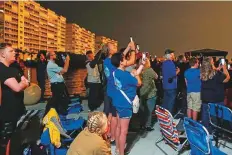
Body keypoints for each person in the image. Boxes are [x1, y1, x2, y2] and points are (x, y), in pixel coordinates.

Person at [102, 41, 136, 143]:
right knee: (115, 117)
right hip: (116, 92)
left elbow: (119, 57)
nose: (115, 47)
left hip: (110, 90)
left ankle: (110, 135)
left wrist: (127, 47)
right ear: (108, 50)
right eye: (112, 46)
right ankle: (113, 137)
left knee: (111, 114)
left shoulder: (107, 61)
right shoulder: (111, 61)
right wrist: (133, 49)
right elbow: (131, 61)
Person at [0, 43, 29, 155]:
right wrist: (22, 83)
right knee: (6, 141)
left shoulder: (11, 68)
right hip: (7, 113)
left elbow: (26, 81)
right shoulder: (2, 69)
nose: (14, 53)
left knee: (11, 140)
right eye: (11, 51)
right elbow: (17, 88)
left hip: (14, 112)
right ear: (2, 54)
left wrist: (23, 83)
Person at [111, 51, 142, 155]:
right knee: (124, 131)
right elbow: (138, 83)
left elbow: (133, 73)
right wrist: (136, 75)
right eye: (124, 59)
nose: (126, 60)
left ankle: (117, 149)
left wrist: (141, 66)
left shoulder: (115, 72)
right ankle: (121, 153)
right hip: (125, 105)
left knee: (119, 127)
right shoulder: (125, 75)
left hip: (118, 102)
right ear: (121, 62)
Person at [200, 57, 230, 132]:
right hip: (216, 99)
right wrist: (224, 68)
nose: (214, 62)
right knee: (217, 117)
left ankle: (206, 132)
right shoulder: (216, 73)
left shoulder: (202, 73)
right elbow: (227, 78)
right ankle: (216, 132)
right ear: (211, 63)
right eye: (212, 61)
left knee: (205, 116)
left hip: (205, 98)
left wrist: (218, 68)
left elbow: (212, 74)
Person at [140, 58, 158, 131]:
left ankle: (142, 124)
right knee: (149, 110)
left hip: (142, 92)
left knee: (143, 110)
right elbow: (156, 76)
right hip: (150, 93)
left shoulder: (140, 70)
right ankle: (148, 125)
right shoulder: (149, 70)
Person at [162, 49, 180, 114]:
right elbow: (173, 74)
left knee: (166, 102)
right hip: (171, 86)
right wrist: (178, 71)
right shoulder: (171, 63)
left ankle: (163, 116)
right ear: (169, 55)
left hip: (165, 86)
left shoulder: (164, 63)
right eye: (172, 54)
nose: (173, 56)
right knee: (170, 103)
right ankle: (168, 118)